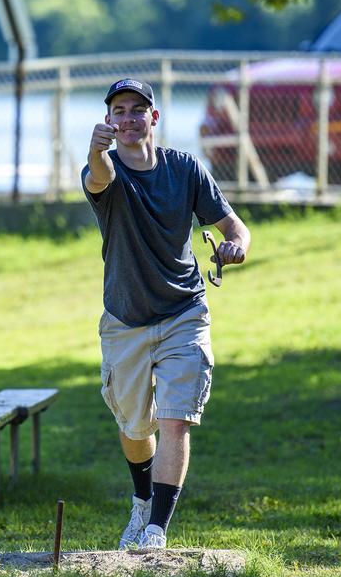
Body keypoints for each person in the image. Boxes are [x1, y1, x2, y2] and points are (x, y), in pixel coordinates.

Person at [82, 77, 250, 551]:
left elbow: (233, 224)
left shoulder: (185, 168)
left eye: (139, 109)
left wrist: (237, 246)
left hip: (184, 311)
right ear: (109, 121)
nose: (130, 118)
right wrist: (95, 152)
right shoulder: (106, 171)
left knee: (175, 419)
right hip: (126, 319)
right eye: (120, 111)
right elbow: (98, 177)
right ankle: (140, 502)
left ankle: (156, 530)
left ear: (153, 117)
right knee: (135, 428)